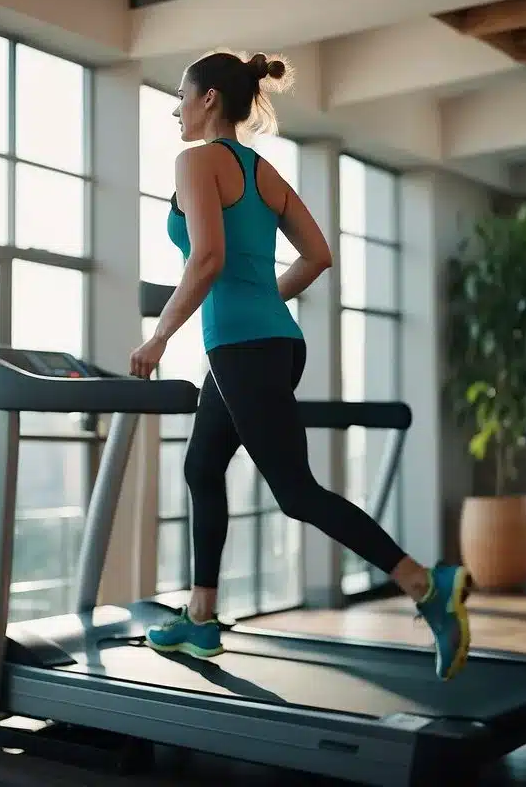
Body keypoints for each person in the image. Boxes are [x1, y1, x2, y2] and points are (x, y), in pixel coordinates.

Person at [128, 49, 472, 681]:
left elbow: (205, 258)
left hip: (242, 348)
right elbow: (317, 256)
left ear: (208, 100)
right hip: (273, 343)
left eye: (182, 94)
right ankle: (201, 617)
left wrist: (158, 339)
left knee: (295, 493)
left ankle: (426, 583)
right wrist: (264, 299)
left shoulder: (195, 161)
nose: (175, 107)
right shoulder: (263, 173)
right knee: (202, 465)